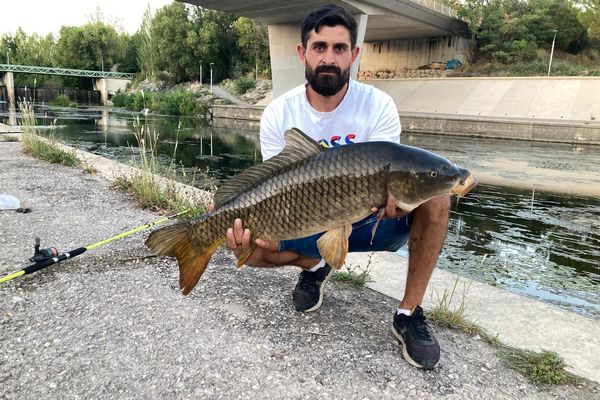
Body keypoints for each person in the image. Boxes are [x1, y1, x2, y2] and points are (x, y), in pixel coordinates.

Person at [226, 3, 450, 370]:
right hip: (303, 219)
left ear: (354, 55)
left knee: (438, 197)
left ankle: (408, 313)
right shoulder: (279, 113)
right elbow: (273, 184)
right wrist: (252, 229)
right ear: (303, 53)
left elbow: (395, 170)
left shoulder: (378, 105)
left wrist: (399, 198)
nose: (328, 58)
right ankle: (314, 267)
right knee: (244, 247)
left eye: (339, 48)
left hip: (372, 220)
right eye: (319, 47)